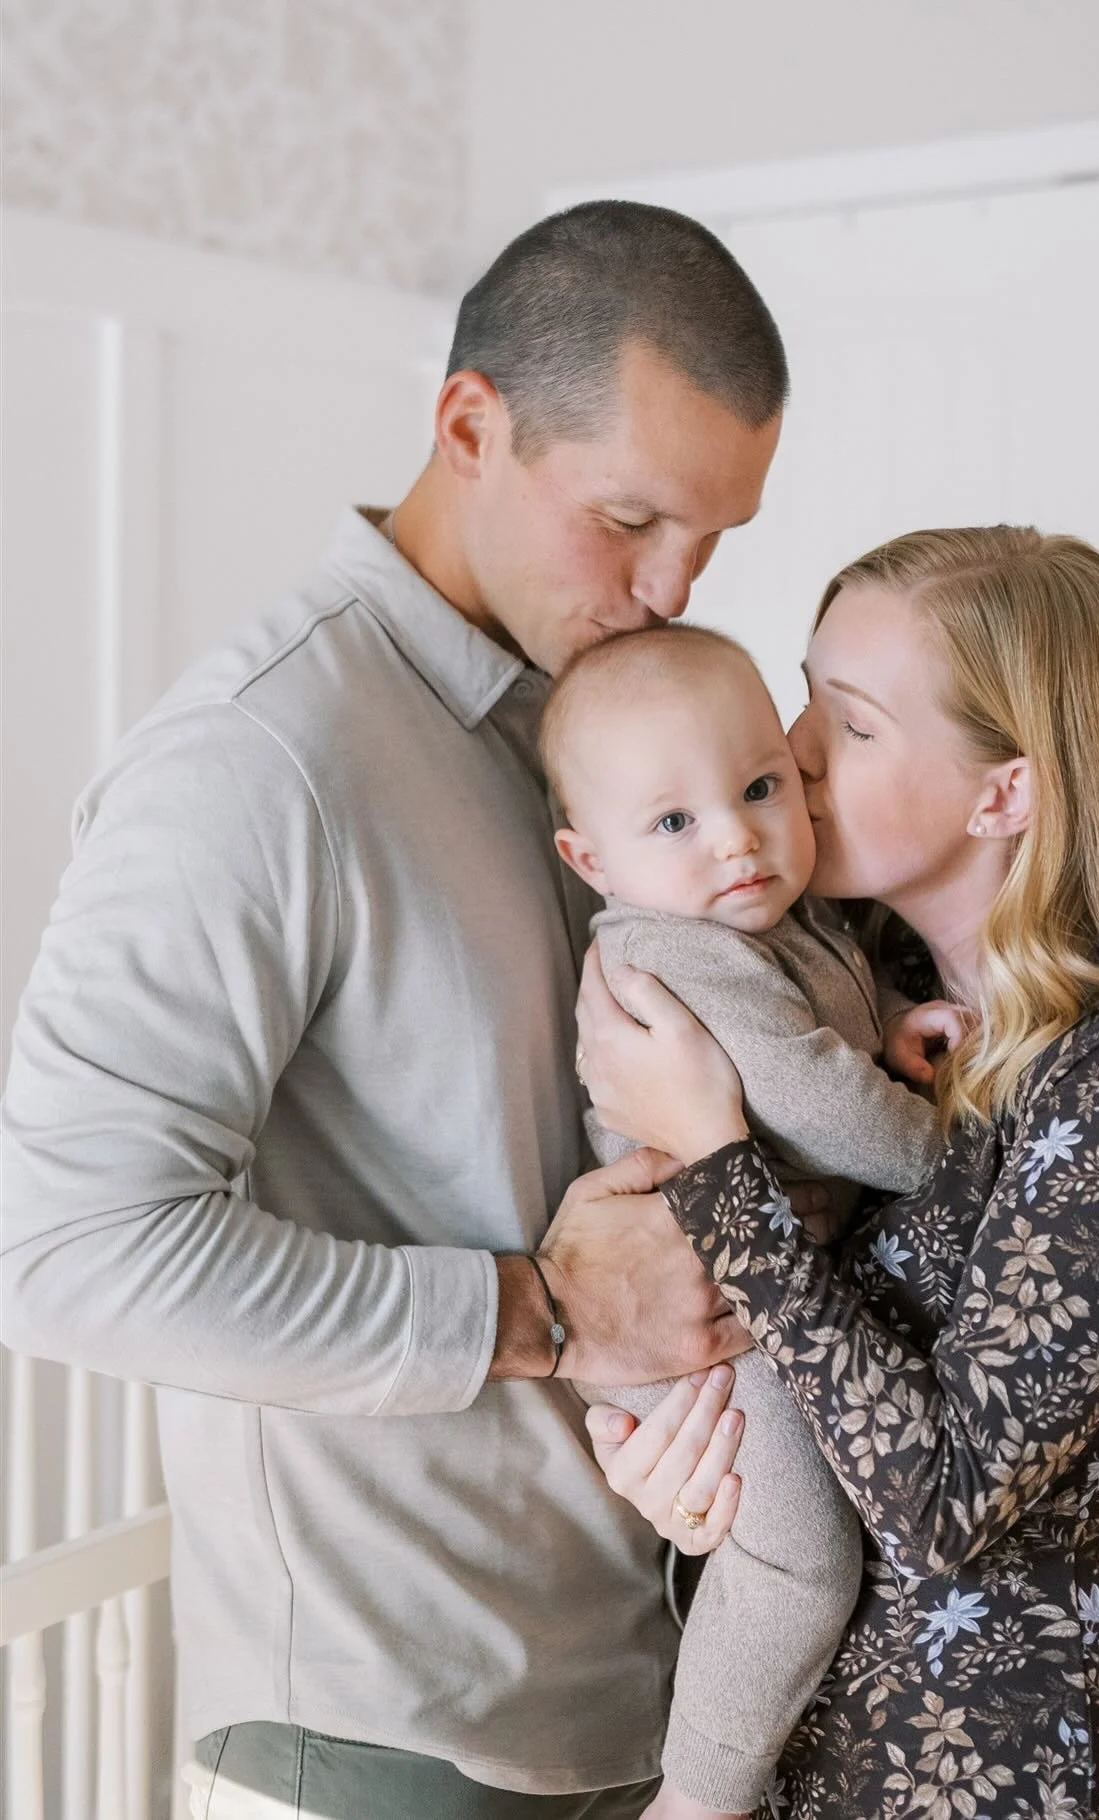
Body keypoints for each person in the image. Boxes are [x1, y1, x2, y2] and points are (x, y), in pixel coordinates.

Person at [1, 201, 791, 1819]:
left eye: (712, 540)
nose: (670, 588)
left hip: (645, 1693)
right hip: (390, 1741)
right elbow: (57, 1251)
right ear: (469, 426)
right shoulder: (261, 754)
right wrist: (547, 1309)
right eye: (630, 520)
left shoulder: (600, 721)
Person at [553, 527, 1099, 1819]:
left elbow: (946, 1503)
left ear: (1002, 792)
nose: (789, 749)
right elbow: (728, 1323)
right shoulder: (843, 970)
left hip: (998, 1758)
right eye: (802, 696)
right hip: (797, 1749)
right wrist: (676, 1456)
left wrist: (720, 1156)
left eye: (849, 724)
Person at [538, 622, 963, 1817]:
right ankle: (697, 1797)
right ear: (590, 857)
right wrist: (949, 1152)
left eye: (761, 786)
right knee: (798, 1563)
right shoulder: (674, 949)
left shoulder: (771, 916)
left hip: (754, 1291)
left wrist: (888, 1025)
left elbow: (817, 1025)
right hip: (705, 1327)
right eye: (675, 819)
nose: (735, 835)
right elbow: (817, 1103)